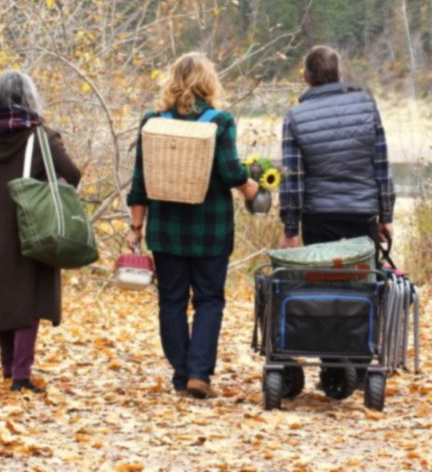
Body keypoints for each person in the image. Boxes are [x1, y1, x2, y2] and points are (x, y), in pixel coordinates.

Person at [126, 53, 260, 400]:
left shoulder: (153, 122)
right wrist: (250, 186)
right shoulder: (221, 121)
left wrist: (136, 228)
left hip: (167, 231)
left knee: (171, 301)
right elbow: (231, 171)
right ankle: (199, 373)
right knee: (209, 300)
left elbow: (139, 181)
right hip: (211, 228)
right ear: (207, 83)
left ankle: (181, 376)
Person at [0, 70, 81, 394]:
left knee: (4, 298)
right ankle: (21, 375)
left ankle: (8, 368)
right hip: (33, 228)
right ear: (30, 99)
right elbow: (72, 174)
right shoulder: (42, 137)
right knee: (29, 299)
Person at [278, 45, 396, 249]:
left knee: (323, 277)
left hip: (318, 218)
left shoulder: (295, 117)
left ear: (306, 77)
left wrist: (291, 231)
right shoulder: (367, 106)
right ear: (340, 74)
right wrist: (386, 217)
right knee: (364, 277)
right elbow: (381, 166)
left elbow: (293, 179)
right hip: (362, 214)